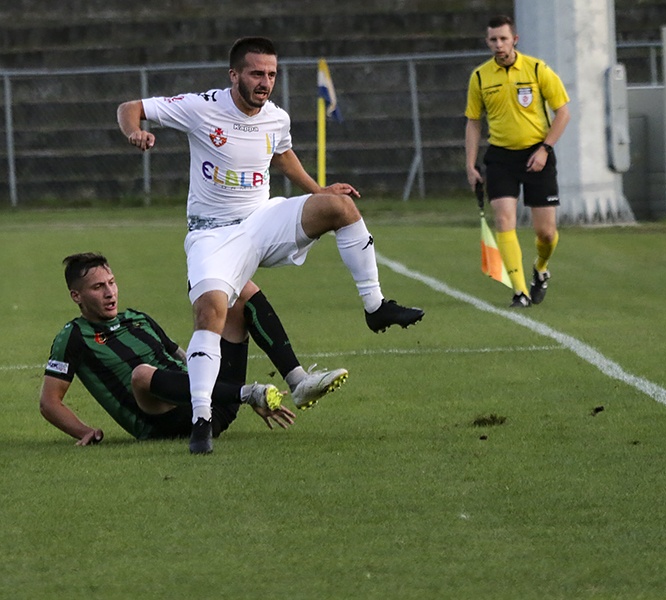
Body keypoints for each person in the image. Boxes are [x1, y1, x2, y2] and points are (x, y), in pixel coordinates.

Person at [116, 36, 424, 454]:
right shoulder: (201, 106)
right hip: (213, 232)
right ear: (234, 75)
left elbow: (282, 156)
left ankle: (376, 307)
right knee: (210, 311)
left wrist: (319, 190)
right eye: (256, 73)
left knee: (339, 206)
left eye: (271, 74)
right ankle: (202, 420)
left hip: (263, 222)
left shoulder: (276, 117)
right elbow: (130, 107)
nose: (265, 82)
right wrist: (135, 132)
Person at [40, 253, 297, 446]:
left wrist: (224, 391)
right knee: (141, 375)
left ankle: (295, 377)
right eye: (98, 287)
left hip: (209, 407)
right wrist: (84, 431)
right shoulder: (73, 336)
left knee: (239, 290)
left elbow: (183, 357)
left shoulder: (137, 318)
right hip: (164, 422)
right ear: (76, 296)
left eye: (112, 282)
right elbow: (49, 402)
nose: (110, 293)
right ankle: (248, 393)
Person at [465, 14, 571, 308]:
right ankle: (520, 291)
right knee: (504, 220)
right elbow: (473, 122)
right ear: (487, 41)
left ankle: (540, 269)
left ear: (515, 40)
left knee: (546, 233)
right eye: (493, 40)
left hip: (537, 153)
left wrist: (545, 149)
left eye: (503, 38)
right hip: (500, 157)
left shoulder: (537, 69)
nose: (498, 45)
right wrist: (470, 164)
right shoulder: (480, 77)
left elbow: (563, 112)